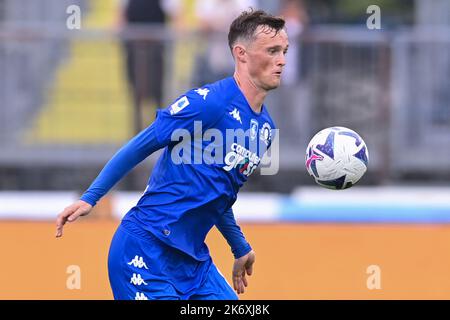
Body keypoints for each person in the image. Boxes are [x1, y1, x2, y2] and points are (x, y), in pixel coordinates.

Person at [56, 9, 289, 300]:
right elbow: (142, 144)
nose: (282, 60)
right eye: (272, 51)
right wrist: (91, 196)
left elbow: (217, 193)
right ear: (241, 54)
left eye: (284, 50)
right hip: (145, 250)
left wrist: (239, 246)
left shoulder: (265, 130)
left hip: (193, 264)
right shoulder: (208, 103)